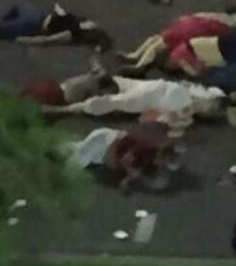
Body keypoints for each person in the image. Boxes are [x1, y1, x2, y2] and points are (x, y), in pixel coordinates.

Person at [42, 76, 224, 136]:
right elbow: (167, 124)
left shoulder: (188, 111)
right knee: (114, 100)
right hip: (148, 94)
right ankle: (65, 109)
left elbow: (165, 120)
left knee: (116, 91)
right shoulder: (192, 106)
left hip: (152, 90)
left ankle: (72, 101)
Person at [120, 12, 236, 72]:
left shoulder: (217, 17)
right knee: (158, 46)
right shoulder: (226, 29)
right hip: (190, 32)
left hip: (186, 25)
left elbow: (189, 17)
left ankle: (135, 56)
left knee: (155, 41)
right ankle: (139, 65)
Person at [65, 125, 181, 193]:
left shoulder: (153, 160)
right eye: (167, 161)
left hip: (104, 151)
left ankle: (54, 147)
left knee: (79, 150)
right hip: (105, 140)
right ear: (163, 155)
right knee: (78, 162)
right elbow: (126, 160)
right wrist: (128, 169)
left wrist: (127, 180)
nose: (164, 164)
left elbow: (138, 169)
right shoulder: (147, 148)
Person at [0, 2, 111, 50]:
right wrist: (19, 39)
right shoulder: (73, 29)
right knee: (6, 27)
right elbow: (46, 40)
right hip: (35, 23)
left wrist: (21, 39)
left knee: (16, 8)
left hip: (36, 16)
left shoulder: (73, 29)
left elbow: (46, 40)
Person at [21, 58, 114, 106]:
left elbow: (97, 66)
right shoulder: (94, 87)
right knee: (36, 94)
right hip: (60, 92)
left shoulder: (93, 79)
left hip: (59, 90)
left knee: (35, 92)